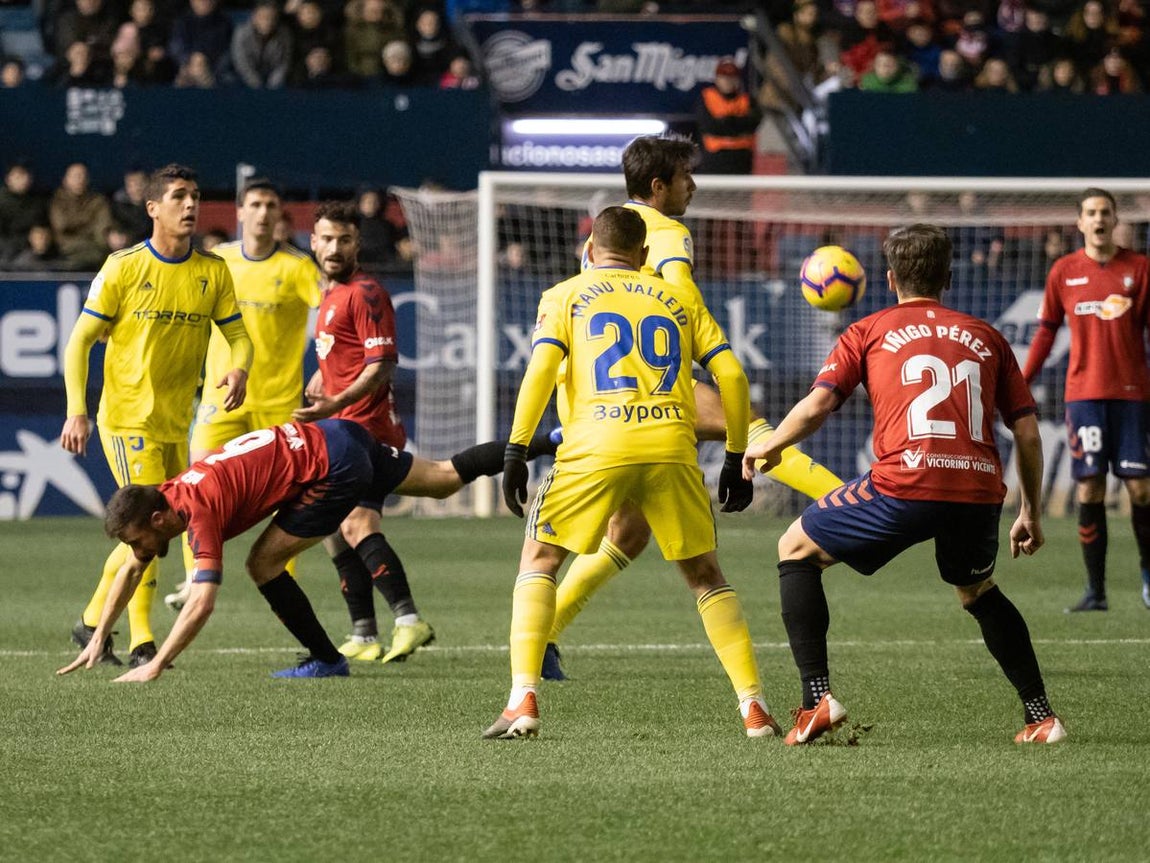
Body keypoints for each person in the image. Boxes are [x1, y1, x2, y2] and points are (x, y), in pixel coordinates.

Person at [744, 223, 1065, 745]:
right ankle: (1041, 717)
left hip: (905, 482)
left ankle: (816, 699)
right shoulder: (987, 337)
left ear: (889, 278)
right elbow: (1027, 434)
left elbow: (821, 404)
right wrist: (1030, 511)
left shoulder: (867, 330)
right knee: (977, 590)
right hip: (980, 490)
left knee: (794, 548)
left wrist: (772, 443)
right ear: (949, 276)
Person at [541, 135, 843, 680]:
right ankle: (845, 501)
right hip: (644, 384)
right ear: (658, 187)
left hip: (588, 388)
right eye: (685, 176)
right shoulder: (668, 232)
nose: (694, 185)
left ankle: (545, 632)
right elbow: (679, 293)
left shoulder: (605, 231)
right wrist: (703, 340)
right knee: (745, 422)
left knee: (627, 534)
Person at [484, 206, 780, 740]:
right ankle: (753, 707)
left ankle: (522, 700)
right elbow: (731, 375)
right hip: (671, 445)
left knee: (541, 558)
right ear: (645, 255)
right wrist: (735, 456)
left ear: (590, 249)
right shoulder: (678, 299)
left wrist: (515, 449)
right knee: (706, 576)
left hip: (595, 445)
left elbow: (542, 370)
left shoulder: (565, 295)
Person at [57, 418, 528, 681]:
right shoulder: (164, 495)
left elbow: (201, 602)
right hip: (337, 434)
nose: (137, 550)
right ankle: (550, 440)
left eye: (137, 539)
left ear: (158, 521)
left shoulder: (196, 512)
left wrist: (155, 666)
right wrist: (100, 634)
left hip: (331, 468)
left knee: (261, 563)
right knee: (444, 479)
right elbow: (132, 569)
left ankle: (326, 659)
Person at [61, 163, 253, 668]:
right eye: (178, 197)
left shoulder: (211, 271)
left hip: (175, 422)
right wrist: (76, 411)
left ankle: (89, 623)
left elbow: (238, 336)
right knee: (152, 526)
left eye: (194, 195)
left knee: (159, 525)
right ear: (153, 209)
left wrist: (239, 369)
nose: (190, 205)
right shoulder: (123, 267)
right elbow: (79, 341)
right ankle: (143, 639)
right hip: (126, 420)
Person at [164, 177, 323, 613]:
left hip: (280, 404)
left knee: (291, 502)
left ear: (279, 214)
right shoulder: (218, 262)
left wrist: (328, 370)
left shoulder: (297, 266)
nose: (263, 212)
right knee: (192, 488)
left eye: (271, 204)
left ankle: (282, 585)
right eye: (255, 204)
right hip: (221, 400)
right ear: (240, 211)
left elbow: (330, 311)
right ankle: (194, 577)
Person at [293, 200, 433, 664]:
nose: (334, 248)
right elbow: (345, 355)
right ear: (313, 242)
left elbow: (381, 364)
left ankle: (409, 621)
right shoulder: (328, 293)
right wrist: (323, 377)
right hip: (342, 426)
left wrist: (337, 399)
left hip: (365, 430)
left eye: (344, 240)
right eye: (327, 239)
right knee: (333, 528)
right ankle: (364, 633)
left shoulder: (366, 291)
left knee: (355, 523)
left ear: (358, 243)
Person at [1022, 188, 1150, 612]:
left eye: (1105, 213)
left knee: (1141, 488)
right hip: (1084, 396)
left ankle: (1148, 577)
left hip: (1132, 396)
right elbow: (1045, 332)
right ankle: (1096, 591)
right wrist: (1023, 380)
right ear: (1080, 223)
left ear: (1115, 221)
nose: (1098, 219)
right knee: (1090, 488)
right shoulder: (1064, 272)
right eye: (1091, 213)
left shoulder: (1139, 269)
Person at [694, 58, 762, 175]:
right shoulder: (707, 97)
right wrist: (736, 124)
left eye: (732, 77)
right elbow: (708, 126)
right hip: (714, 160)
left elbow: (752, 123)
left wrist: (725, 121)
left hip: (741, 160)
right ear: (717, 79)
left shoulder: (746, 100)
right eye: (724, 77)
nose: (727, 81)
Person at [48, 162, 112, 271]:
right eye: (75, 176)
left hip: (95, 248)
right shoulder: (57, 200)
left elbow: (102, 228)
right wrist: (87, 223)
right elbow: (62, 226)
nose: (80, 180)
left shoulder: (97, 201)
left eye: (83, 176)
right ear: (65, 180)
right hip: (66, 248)